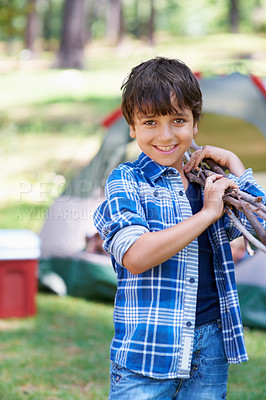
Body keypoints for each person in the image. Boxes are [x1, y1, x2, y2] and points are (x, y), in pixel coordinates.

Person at [93, 57, 266, 400]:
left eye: (178, 120)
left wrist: (236, 167)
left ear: (195, 122)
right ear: (132, 127)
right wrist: (206, 214)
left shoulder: (208, 180)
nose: (166, 135)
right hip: (148, 351)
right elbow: (136, 256)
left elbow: (261, 231)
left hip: (209, 348)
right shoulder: (126, 181)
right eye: (151, 122)